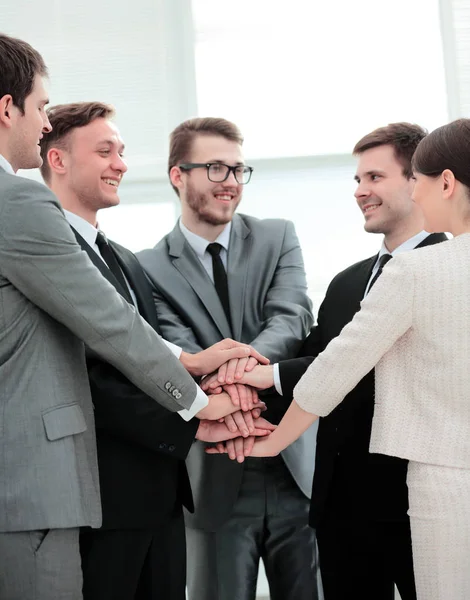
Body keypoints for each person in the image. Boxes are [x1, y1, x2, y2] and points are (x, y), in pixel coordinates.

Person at [0, 34, 266, 600]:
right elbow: (105, 330)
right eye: (41, 107)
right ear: (8, 109)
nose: (43, 121)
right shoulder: (17, 204)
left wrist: (191, 363)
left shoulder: (120, 256)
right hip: (42, 487)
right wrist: (200, 406)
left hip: (138, 492)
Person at [207, 122, 447, 600]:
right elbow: (316, 360)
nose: (360, 192)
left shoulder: (449, 269)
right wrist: (240, 403)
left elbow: (362, 369)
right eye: (357, 180)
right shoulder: (345, 282)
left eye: (374, 178)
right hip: (342, 509)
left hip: (418, 506)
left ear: (416, 180)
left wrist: (257, 375)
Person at [137, 117, 320, 600]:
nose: (233, 183)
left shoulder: (279, 236)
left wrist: (242, 373)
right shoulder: (146, 268)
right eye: (217, 169)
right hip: (210, 472)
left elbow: (291, 317)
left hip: (292, 461)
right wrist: (235, 378)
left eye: (240, 170)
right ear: (179, 175)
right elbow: (175, 347)